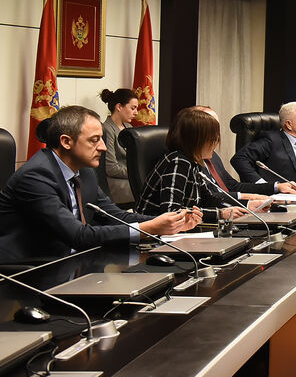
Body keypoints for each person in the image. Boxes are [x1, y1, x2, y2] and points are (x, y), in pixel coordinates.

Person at [0, 106, 197, 263]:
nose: (102, 147)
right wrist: (150, 228)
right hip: (31, 270)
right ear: (66, 142)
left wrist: (170, 222)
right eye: (94, 140)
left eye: (101, 139)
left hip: (75, 260)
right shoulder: (36, 176)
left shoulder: (84, 171)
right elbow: (78, 235)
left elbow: (115, 216)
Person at [135, 108, 255, 223]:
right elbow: (172, 211)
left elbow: (207, 199)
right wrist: (219, 213)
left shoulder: (193, 163)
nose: (215, 145)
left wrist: (243, 206)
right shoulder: (178, 162)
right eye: (213, 140)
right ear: (197, 140)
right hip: (155, 231)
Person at [191, 106, 296, 199]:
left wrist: (276, 187)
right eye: (211, 127)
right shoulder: (189, 160)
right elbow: (209, 198)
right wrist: (249, 198)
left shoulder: (212, 156)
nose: (217, 133)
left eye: (217, 126)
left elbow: (233, 186)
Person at [99, 87, 139, 204]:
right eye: (133, 108)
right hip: (116, 182)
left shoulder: (129, 128)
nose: (136, 113)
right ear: (119, 107)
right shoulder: (106, 129)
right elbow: (111, 168)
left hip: (130, 177)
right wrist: (137, 172)